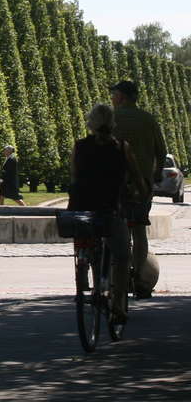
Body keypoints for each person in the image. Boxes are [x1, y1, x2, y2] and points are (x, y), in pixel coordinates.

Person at [68, 103, 135, 324]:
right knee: (123, 256)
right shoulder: (121, 147)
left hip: (82, 211)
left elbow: (74, 176)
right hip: (110, 209)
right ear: (112, 123)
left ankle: (94, 286)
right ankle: (118, 305)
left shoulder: (79, 146)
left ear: (90, 123)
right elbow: (133, 177)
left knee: (92, 245)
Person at [110, 79, 167, 296]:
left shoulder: (112, 118)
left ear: (122, 97)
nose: (112, 98)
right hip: (142, 185)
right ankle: (139, 277)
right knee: (139, 229)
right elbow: (161, 151)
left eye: (114, 94)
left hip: (115, 184)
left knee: (114, 229)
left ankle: (116, 281)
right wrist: (156, 173)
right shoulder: (148, 119)